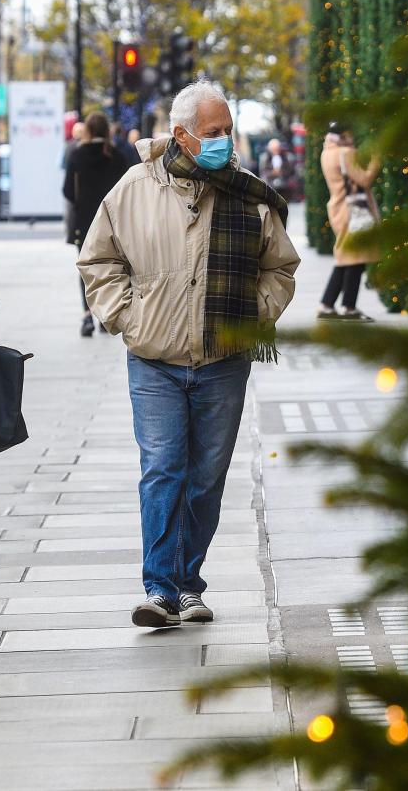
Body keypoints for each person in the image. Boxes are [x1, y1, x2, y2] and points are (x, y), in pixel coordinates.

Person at [78, 81, 299, 628]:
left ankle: (188, 582)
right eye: (214, 132)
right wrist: (127, 317)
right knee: (162, 470)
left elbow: (281, 266)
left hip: (225, 359)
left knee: (206, 476)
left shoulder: (248, 194)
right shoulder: (133, 189)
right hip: (155, 358)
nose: (225, 141)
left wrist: (254, 313)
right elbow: (98, 261)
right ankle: (160, 588)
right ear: (181, 135)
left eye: (228, 131)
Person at [63, 111, 131, 337]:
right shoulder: (118, 157)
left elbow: (67, 191)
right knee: (111, 267)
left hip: (84, 220)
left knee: (86, 268)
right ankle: (106, 315)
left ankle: (86, 317)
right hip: (113, 221)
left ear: (88, 131)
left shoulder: (77, 155)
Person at [318, 121, 381, 321]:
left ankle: (327, 304)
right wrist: (375, 162)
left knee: (346, 257)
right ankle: (349, 307)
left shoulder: (326, 152)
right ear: (344, 135)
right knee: (356, 259)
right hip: (353, 211)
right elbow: (364, 180)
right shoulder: (346, 153)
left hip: (339, 208)